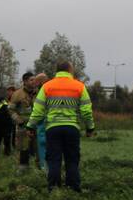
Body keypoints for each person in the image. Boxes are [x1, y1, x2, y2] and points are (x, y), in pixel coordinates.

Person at [26, 61, 95, 191]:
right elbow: (86, 111)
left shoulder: (47, 86)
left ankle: (53, 189)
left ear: (57, 71)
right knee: (72, 160)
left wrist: (30, 126)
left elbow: (38, 111)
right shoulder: (79, 86)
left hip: (53, 129)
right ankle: (73, 188)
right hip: (72, 128)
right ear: (69, 70)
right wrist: (90, 128)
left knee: (54, 160)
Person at [8, 72, 40, 171]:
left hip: (37, 125)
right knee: (24, 148)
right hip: (23, 126)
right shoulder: (17, 94)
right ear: (25, 81)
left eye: (34, 79)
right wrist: (19, 120)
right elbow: (10, 109)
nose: (34, 82)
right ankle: (23, 169)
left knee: (38, 147)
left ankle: (39, 168)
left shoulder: (39, 92)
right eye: (31, 80)